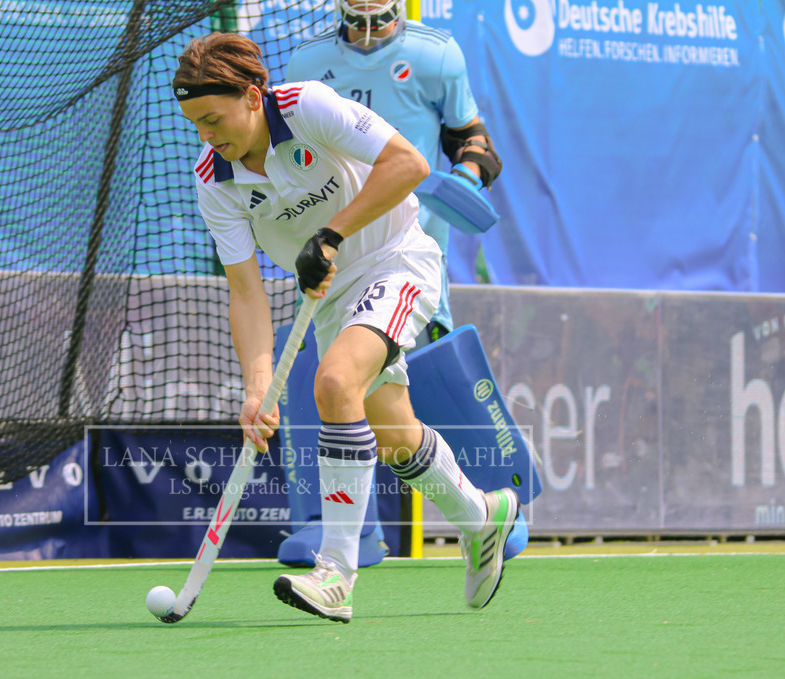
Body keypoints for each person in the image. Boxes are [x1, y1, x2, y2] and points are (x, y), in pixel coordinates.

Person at [172, 32, 519, 623]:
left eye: (213, 118)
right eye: (196, 124)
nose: (208, 135)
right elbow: (246, 291)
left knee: (334, 384)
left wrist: (330, 233)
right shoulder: (215, 179)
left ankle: (336, 573)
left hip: (395, 259)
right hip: (331, 297)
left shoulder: (308, 106)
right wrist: (257, 385)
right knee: (396, 436)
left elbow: (406, 164)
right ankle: (482, 516)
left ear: (253, 97)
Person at [279, 0, 527, 568]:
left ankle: (495, 506)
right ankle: (345, 531)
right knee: (328, 383)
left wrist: (464, 175)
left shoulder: (434, 55)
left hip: (409, 250)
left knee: (434, 382)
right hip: (337, 255)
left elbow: (474, 140)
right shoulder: (309, 63)